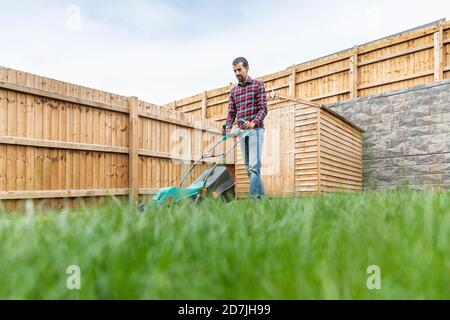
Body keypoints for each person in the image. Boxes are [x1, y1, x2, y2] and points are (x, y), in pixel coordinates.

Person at [222, 57, 268, 199]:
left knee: (254, 166)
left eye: (239, 70)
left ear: (247, 68)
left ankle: (253, 199)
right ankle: (261, 198)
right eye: (234, 70)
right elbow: (231, 113)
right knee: (249, 167)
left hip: (256, 130)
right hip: (242, 132)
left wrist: (254, 122)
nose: (237, 73)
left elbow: (263, 109)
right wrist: (228, 127)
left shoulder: (258, 86)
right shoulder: (234, 92)